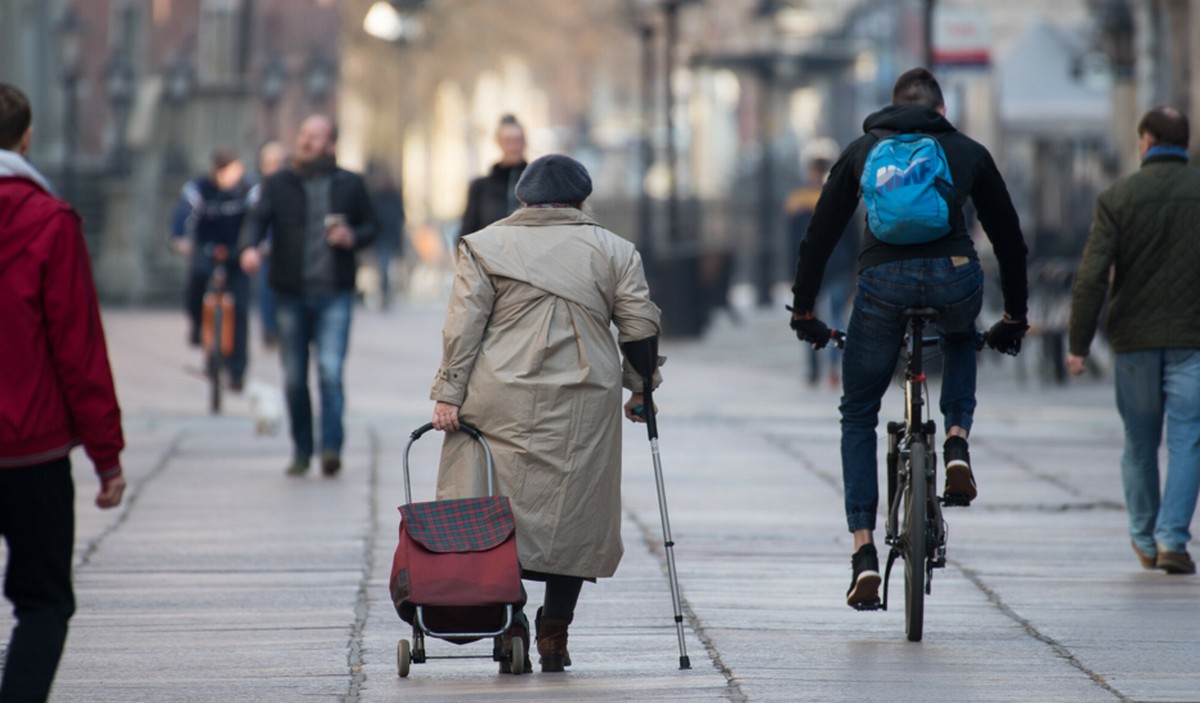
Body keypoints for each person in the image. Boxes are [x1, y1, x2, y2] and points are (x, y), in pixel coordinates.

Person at [789, 68, 1030, 608]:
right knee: (961, 334)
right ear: (941, 111)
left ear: (893, 106)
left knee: (858, 412)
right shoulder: (966, 150)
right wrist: (1014, 316)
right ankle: (956, 443)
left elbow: (819, 236)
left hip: (883, 282)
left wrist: (804, 310)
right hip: (954, 274)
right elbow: (1009, 239)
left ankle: (864, 552)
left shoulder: (862, 150)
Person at [429, 154, 662, 673]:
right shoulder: (616, 250)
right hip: (584, 400)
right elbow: (639, 327)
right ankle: (554, 633)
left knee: (496, 510)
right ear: (581, 201)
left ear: (523, 200)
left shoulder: (485, 245)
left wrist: (449, 394)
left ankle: (509, 622)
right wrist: (641, 389)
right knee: (572, 514)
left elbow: (463, 327)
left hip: (500, 397)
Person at [0, 81, 126, 702]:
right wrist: (107, 456)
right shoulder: (50, 222)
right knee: (44, 602)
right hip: (31, 449)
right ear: (26, 139)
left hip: (33, 447)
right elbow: (78, 351)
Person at [1067, 107, 1200, 575]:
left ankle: (1144, 538)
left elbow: (1091, 277)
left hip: (1135, 341)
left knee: (1140, 442)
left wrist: (1079, 344)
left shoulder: (1118, 198)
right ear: (1184, 143)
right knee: (1188, 438)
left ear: (1146, 141)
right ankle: (1172, 538)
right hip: (1192, 338)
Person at [239, 115, 378, 477]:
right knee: (294, 378)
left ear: (331, 144)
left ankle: (331, 448)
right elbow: (257, 221)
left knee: (330, 372)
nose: (306, 141)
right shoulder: (279, 182)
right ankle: (302, 450)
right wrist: (250, 248)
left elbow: (372, 226)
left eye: (315, 137)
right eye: (303, 134)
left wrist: (352, 236)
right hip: (290, 293)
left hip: (335, 294)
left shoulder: (350, 183)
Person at [169, 147, 253, 390]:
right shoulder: (199, 188)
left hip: (237, 252)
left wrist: (256, 246)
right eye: (223, 172)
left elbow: (259, 217)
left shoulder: (249, 190)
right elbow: (183, 212)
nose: (228, 178)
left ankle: (237, 371)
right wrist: (179, 239)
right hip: (206, 249)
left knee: (240, 309)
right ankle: (198, 326)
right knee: (196, 284)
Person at [785, 156, 859, 388]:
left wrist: (793, 273)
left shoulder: (797, 202)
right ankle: (834, 367)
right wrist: (854, 270)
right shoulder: (841, 198)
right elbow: (854, 240)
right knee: (836, 316)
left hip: (810, 267)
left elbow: (793, 243)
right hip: (838, 265)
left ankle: (814, 369)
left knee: (807, 317)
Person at [460, 114, 527, 239]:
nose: (513, 146)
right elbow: (467, 232)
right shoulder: (480, 187)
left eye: (517, 140)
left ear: (524, 143)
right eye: (508, 141)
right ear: (499, 143)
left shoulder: (535, 183)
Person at [252, 140, 288, 348]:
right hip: (265, 251)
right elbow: (253, 221)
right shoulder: (256, 191)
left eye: (277, 162)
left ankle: (284, 330)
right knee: (266, 290)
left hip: (287, 250)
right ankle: (270, 329)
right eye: (268, 162)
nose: (272, 167)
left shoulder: (290, 189)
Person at [366, 161, 405, 308]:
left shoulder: (393, 197)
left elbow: (400, 216)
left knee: (386, 266)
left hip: (390, 236)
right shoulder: (375, 197)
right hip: (379, 237)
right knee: (382, 267)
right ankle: (383, 292)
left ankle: (386, 292)